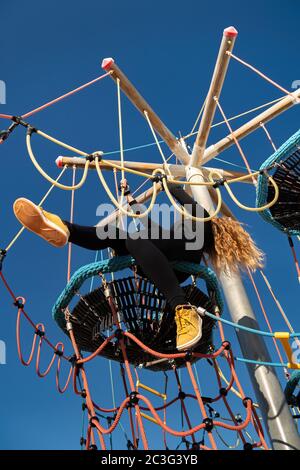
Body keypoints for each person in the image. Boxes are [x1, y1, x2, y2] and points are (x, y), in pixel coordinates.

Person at [13, 183, 263, 351]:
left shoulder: (201, 227)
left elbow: (194, 209)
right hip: (156, 262)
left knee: (133, 238)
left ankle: (183, 310)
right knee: (119, 234)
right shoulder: (173, 233)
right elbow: (149, 224)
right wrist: (131, 199)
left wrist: (170, 185)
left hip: (179, 266)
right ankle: (63, 228)